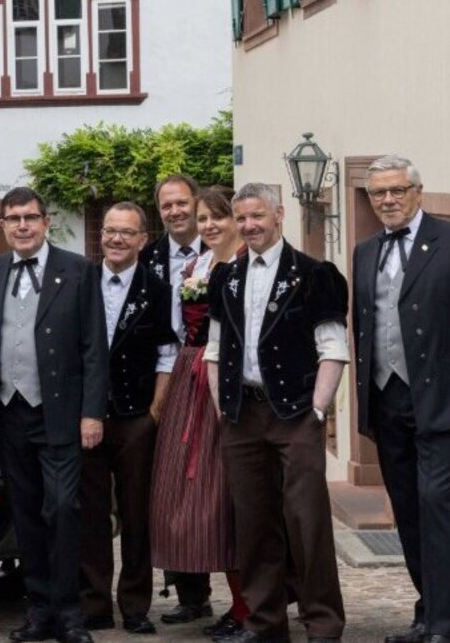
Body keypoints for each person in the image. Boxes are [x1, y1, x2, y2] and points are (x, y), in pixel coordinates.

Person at [352, 157, 450, 643]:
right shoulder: (364, 251)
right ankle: (427, 613)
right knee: (408, 510)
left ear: (418, 192)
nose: (388, 200)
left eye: (397, 190)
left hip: (444, 400)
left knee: (438, 503)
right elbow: (365, 325)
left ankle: (444, 627)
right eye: (378, 193)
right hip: (386, 399)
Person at [205, 183, 348, 643]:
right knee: (253, 523)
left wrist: (318, 410)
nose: (249, 226)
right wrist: (223, 409)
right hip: (241, 415)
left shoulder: (314, 274)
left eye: (258, 216)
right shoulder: (225, 277)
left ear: (279, 215)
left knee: (307, 521)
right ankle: (265, 623)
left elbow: (333, 349)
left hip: (296, 414)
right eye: (242, 218)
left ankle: (322, 624)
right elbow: (213, 351)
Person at [0, 187, 108, 643]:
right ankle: (39, 610)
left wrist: (92, 413)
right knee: (26, 513)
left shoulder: (78, 269)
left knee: (63, 508)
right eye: (13, 219)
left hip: (60, 413)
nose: (22, 226)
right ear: (3, 226)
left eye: (30, 217)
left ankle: (70, 613)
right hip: (8, 411)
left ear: (46, 221)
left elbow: (94, 345)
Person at [150, 187, 250, 639]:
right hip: (191, 378)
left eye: (218, 217)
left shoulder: (250, 264)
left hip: (230, 378)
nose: (209, 226)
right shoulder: (194, 267)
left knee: (229, 498)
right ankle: (202, 596)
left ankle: (249, 607)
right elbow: (176, 334)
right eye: (204, 218)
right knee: (190, 497)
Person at [80, 202, 177, 636]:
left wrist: (154, 412)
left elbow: (167, 354)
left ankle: (136, 605)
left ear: (142, 240)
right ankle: (94, 604)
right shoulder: (80, 282)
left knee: (137, 514)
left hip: (136, 415)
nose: (116, 239)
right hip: (87, 415)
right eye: (110, 231)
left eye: (126, 232)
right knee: (91, 513)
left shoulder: (158, 289)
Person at [138, 175, 216, 628]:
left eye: (182, 203)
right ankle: (191, 593)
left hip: (211, 375)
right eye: (166, 205)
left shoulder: (221, 249)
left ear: (196, 203)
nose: (175, 211)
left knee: (214, 487)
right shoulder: (147, 258)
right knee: (174, 488)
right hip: (163, 379)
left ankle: (250, 597)